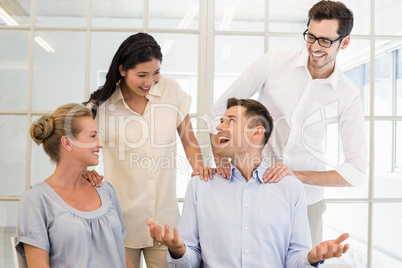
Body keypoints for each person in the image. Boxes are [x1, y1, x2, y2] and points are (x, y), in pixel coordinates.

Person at [207, 0, 367, 246]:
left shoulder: (348, 93)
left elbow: (355, 171)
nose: (314, 47)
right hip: (252, 192)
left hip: (306, 203)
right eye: (311, 37)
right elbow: (219, 110)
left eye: (325, 40)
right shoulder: (273, 63)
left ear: (344, 42)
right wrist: (221, 159)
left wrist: (296, 175)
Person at [148, 98, 350, 268]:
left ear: (256, 133)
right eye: (221, 121)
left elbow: (296, 258)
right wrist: (177, 250)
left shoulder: (289, 187)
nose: (219, 127)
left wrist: (312, 258)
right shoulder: (201, 184)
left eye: (231, 121)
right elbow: (189, 259)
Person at [83, 32, 214, 268]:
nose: (149, 82)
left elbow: (188, 138)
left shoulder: (171, 90)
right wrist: (84, 171)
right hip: (122, 221)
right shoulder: (101, 106)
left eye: (156, 73)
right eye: (141, 75)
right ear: (122, 69)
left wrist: (199, 170)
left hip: (164, 220)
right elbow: (80, 146)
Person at [16, 103, 132, 268]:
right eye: (92, 136)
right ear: (67, 143)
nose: (100, 144)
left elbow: (123, 256)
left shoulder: (106, 190)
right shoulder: (36, 199)